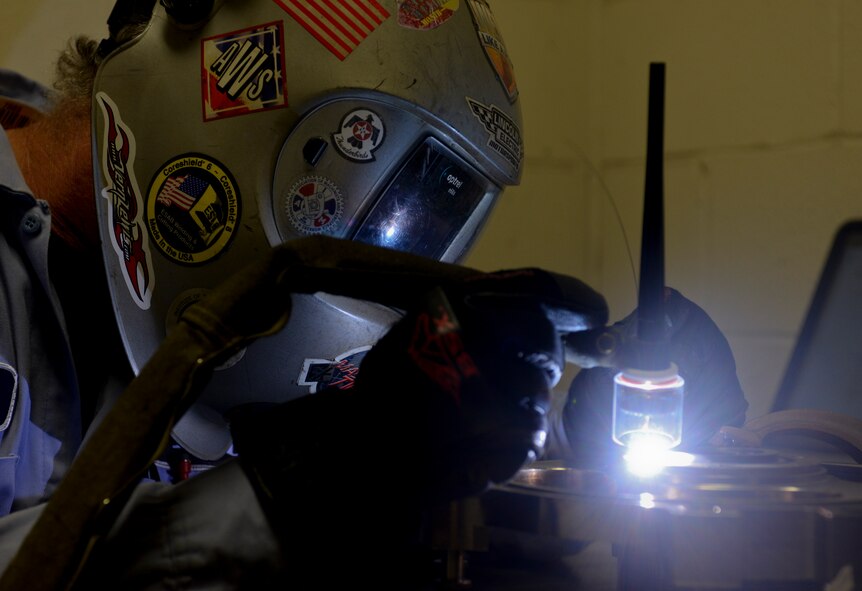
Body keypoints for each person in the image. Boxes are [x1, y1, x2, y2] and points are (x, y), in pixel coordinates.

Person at [0, 0, 748, 588]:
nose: (377, 270)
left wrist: (554, 442)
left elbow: (373, 455)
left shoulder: (196, 327)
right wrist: (306, 490)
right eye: (370, 215)